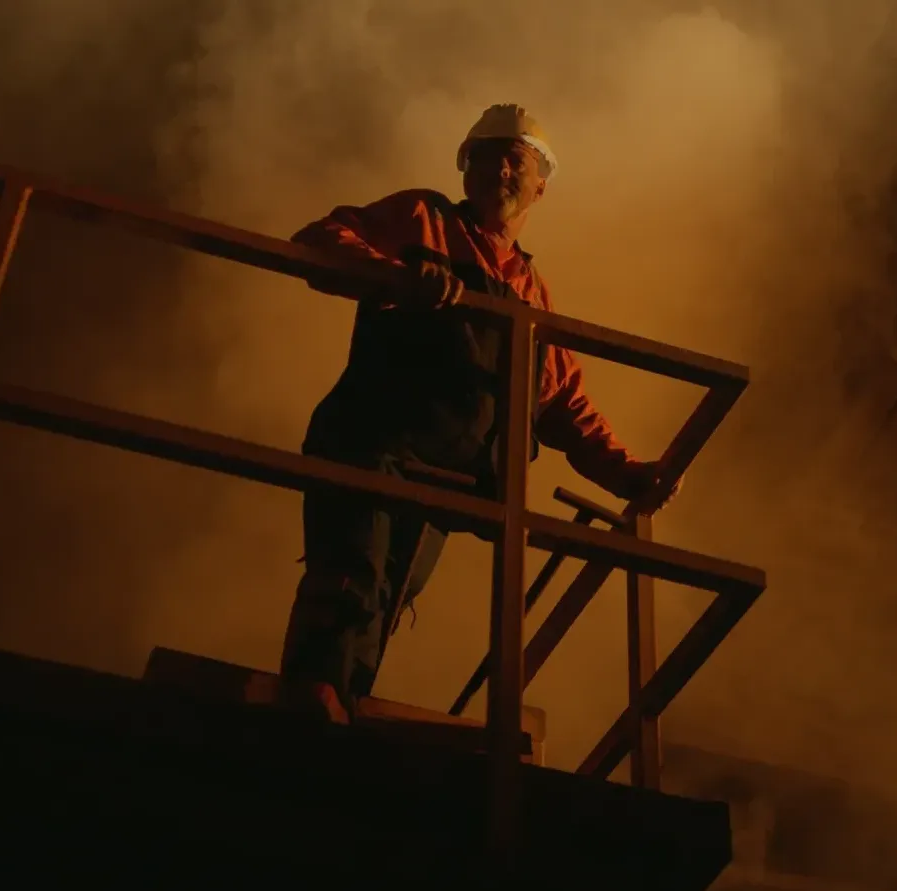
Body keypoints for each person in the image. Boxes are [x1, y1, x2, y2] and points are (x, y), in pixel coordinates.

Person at [283, 104, 681, 719]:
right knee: (352, 572)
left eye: (513, 158)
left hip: (449, 479)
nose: (497, 169)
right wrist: (394, 274)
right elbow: (318, 242)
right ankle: (312, 702)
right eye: (485, 156)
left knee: (391, 591)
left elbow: (560, 400)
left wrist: (627, 473)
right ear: (464, 172)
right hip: (371, 442)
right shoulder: (425, 218)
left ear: (540, 186)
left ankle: (342, 701)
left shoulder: (529, 292)